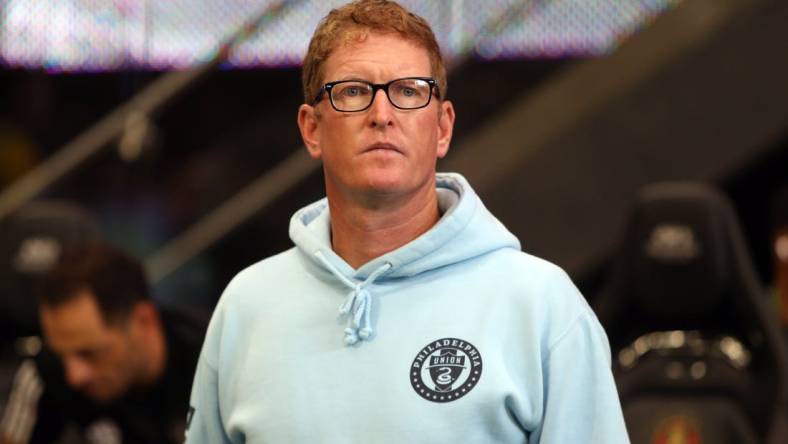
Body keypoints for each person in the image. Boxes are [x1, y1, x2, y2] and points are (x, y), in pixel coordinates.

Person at [186, 1, 629, 442]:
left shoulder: (542, 307)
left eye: (410, 90)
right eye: (354, 91)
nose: (382, 115)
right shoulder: (246, 307)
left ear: (442, 127)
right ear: (311, 129)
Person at [0, 244, 207, 444]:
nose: (74, 376)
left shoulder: (216, 364)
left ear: (144, 321)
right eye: (60, 354)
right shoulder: (48, 369)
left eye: (89, 353)